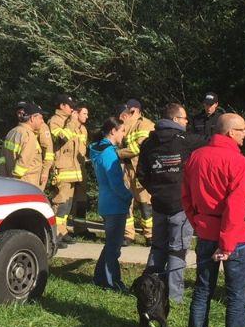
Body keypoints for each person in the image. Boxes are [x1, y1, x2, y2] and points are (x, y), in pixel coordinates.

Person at [183, 113, 245, 327]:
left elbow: (186, 197)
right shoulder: (238, 161)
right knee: (236, 296)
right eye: (241, 130)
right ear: (229, 133)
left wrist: (199, 223)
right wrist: (226, 244)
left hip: (205, 232)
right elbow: (235, 209)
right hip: (233, 238)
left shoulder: (196, 157)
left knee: (202, 291)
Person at [137, 103, 207, 303]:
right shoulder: (185, 141)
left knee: (158, 248)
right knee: (177, 250)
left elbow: (141, 173)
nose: (187, 122)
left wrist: (156, 190)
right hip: (179, 206)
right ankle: (175, 296)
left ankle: (149, 290)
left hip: (158, 204)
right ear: (176, 120)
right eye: (185, 118)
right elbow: (211, 141)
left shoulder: (148, 143)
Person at [89, 117, 134, 291]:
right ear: (113, 131)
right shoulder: (108, 153)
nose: (124, 134)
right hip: (115, 204)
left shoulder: (99, 149)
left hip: (106, 202)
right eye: (122, 130)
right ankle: (111, 282)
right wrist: (127, 196)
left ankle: (99, 278)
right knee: (114, 247)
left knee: (110, 244)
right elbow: (115, 181)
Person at [48, 94, 85, 242]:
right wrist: (72, 123)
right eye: (70, 106)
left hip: (72, 170)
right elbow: (61, 138)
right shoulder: (55, 121)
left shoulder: (70, 121)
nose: (72, 109)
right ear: (62, 106)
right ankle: (55, 234)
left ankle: (62, 232)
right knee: (60, 202)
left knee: (67, 203)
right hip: (62, 169)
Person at [118, 99, 155, 243]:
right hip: (125, 170)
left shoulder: (145, 124)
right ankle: (128, 235)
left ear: (136, 111)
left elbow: (137, 148)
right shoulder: (123, 124)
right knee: (127, 203)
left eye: (129, 111)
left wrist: (118, 153)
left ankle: (150, 235)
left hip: (141, 170)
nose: (126, 114)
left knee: (145, 204)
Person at [0, 104, 45, 190]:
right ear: (32, 118)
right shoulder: (29, 136)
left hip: (10, 183)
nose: (42, 121)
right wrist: (16, 180)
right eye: (40, 118)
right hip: (26, 185)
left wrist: (6, 179)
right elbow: (23, 163)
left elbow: (2, 159)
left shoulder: (12, 132)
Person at [73, 105, 91, 237]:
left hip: (81, 168)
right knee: (65, 202)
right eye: (84, 113)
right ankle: (60, 232)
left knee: (81, 200)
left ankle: (80, 228)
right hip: (68, 168)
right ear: (76, 113)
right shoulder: (68, 127)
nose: (87, 116)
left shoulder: (83, 129)